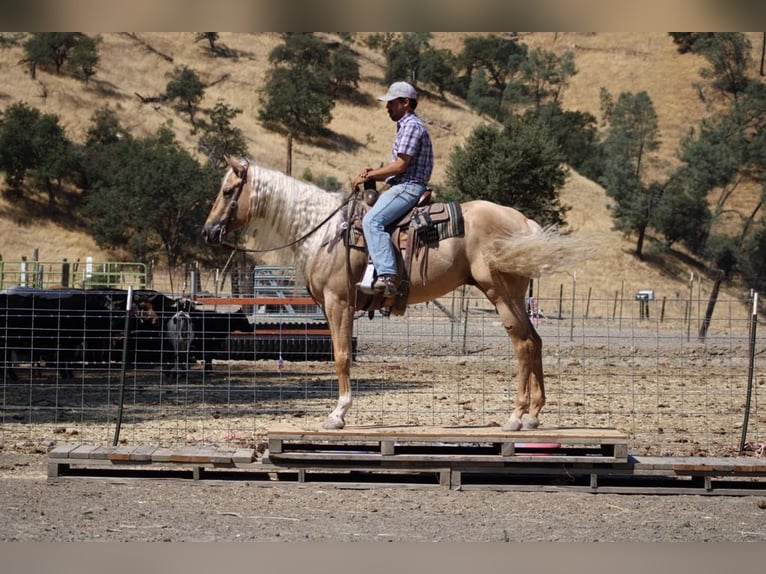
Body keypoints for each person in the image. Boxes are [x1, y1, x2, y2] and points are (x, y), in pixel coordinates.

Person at [351, 81, 434, 298]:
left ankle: (387, 276)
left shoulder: (411, 127)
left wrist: (369, 175)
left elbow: (400, 165)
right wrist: (376, 172)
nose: (387, 107)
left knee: (372, 221)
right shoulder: (406, 126)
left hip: (408, 187)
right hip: (403, 184)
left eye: (392, 103)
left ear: (406, 103)